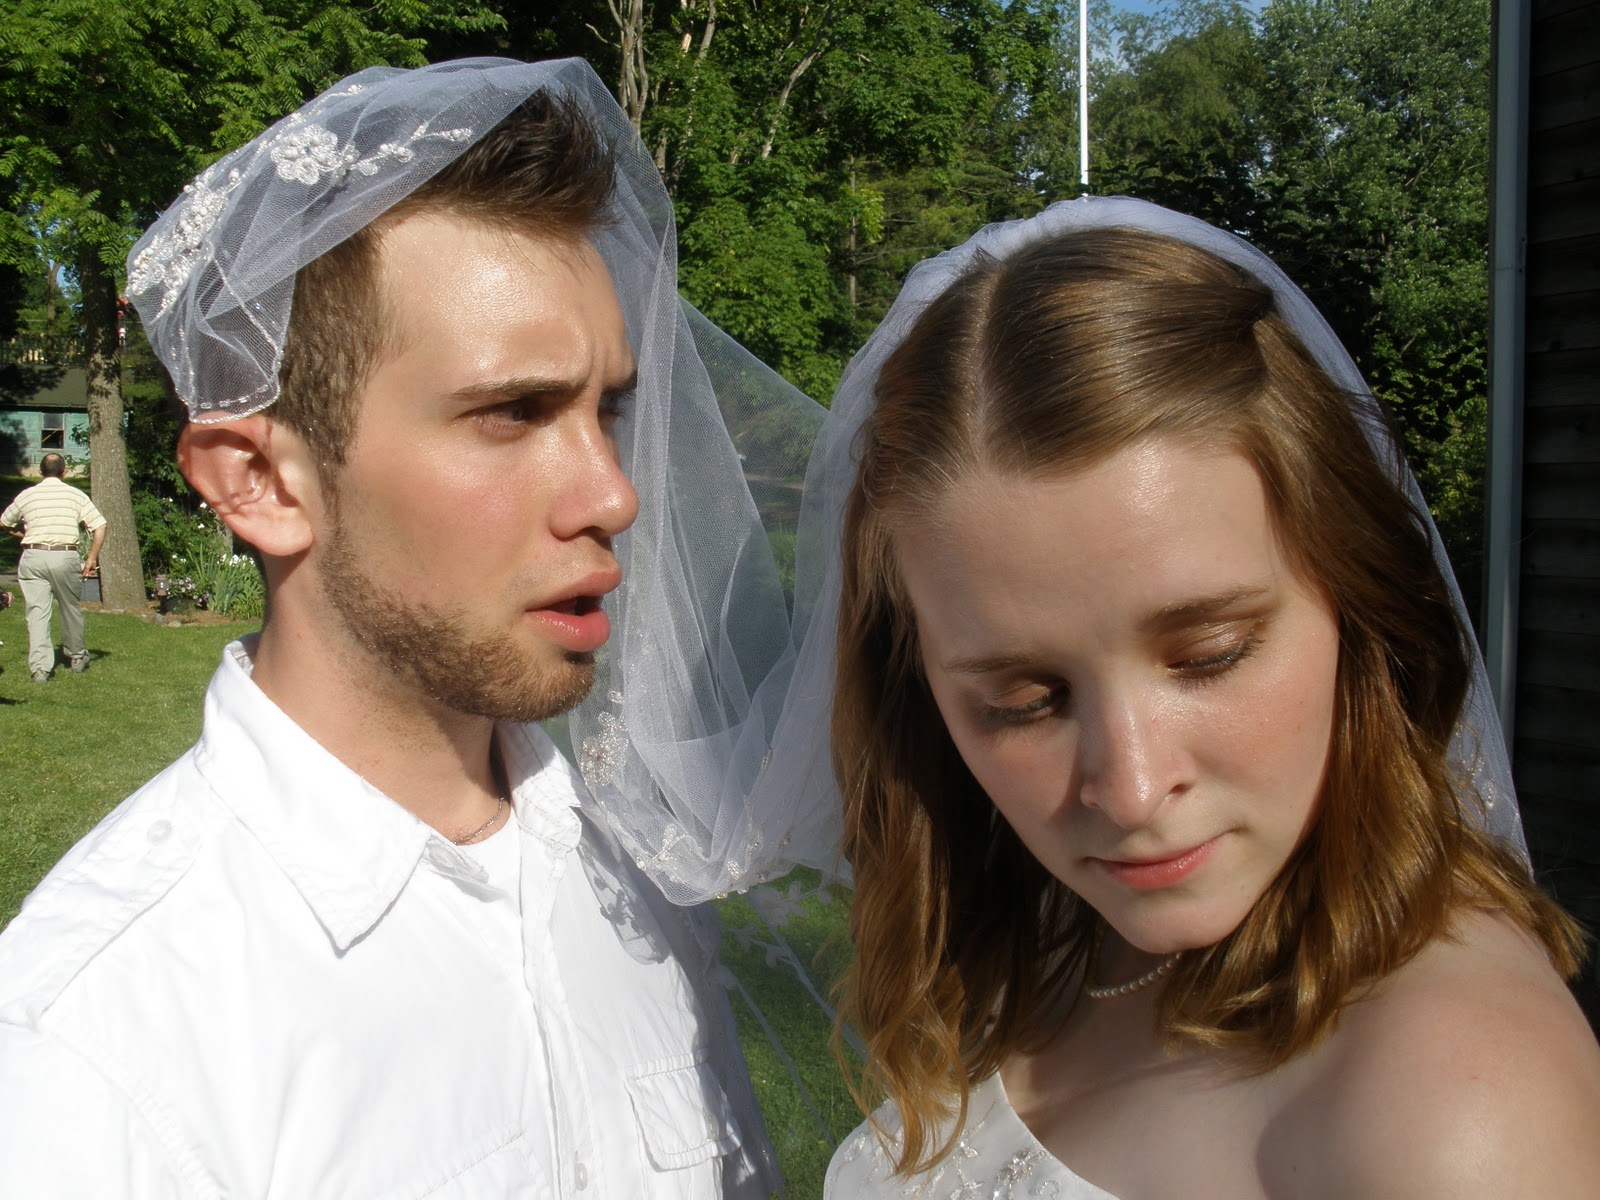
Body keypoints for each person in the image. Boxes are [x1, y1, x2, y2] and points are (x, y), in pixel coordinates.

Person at [0, 58, 823, 1196]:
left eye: (609, 410)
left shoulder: (630, 882)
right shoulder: (99, 1052)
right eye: (513, 411)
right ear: (260, 483)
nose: (614, 494)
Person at [800, 198, 1600, 1197]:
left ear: (1357, 602)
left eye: (1211, 657)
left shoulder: (1457, 1107)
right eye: (1022, 701)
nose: (1131, 790)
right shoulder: (1059, 931)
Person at [2, 451, 106, 682]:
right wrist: (92, 557)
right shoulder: (75, 495)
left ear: (40, 471)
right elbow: (100, 525)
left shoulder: (27, 495)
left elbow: (4, 522)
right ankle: (76, 656)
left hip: (33, 556)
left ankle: (40, 668)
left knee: (37, 612)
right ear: (64, 472)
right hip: (64, 555)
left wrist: (23, 535)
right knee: (70, 607)